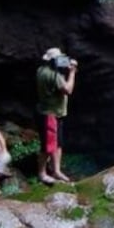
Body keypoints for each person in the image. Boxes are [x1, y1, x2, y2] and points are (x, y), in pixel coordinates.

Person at [36, 47, 78, 185]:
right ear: (53, 61)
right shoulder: (54, 75)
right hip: (50, 115)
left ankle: (56, 170)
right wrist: (72, 73)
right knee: (47, 147)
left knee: (58, 144)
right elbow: (68, 90)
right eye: (59, 59)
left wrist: (65, 65)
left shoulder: (41, 70)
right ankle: (42, 173)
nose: (61, 61)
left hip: (52, 113)